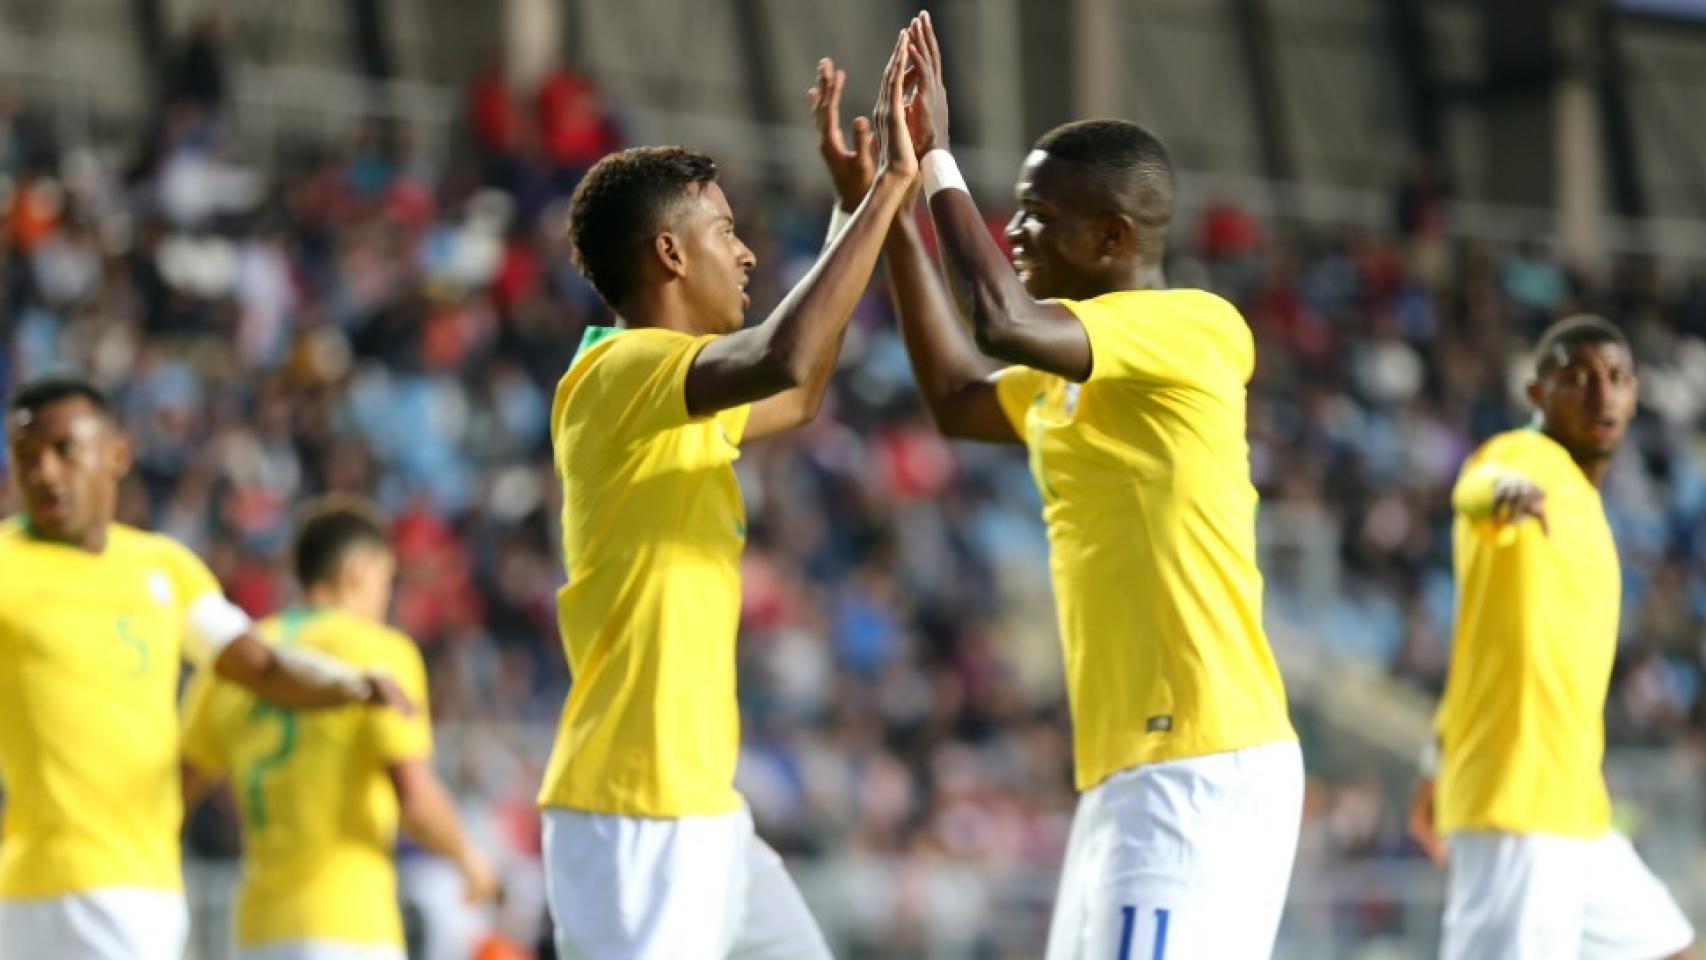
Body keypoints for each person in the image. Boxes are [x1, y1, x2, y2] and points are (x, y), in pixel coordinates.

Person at [836, 14, 1301, 957]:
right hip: (1128, 770)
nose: (1013, 228)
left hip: (1200, 761)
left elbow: (1001, 323)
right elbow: (959, 395)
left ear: (1114, 237)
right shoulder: (1067, 371)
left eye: (1038, 214)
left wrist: (934, 166)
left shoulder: (1193, 329)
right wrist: (891, 216)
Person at [535, 29, 919, 960]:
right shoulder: (619, 369)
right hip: (634, 809)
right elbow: (786, 353)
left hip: (704, 808)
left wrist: (846, 212)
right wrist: (887, 190)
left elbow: (800, 389)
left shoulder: (675, 392)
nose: (746, 255)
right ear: (669, 253)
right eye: (726, 233)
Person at [0, 376, 411, 960]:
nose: (44, 473)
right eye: (26, 457)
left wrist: (348, 684)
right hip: (28, 891)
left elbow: (262, 666)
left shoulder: (166, 569)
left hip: (139, 894)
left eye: (64, 450)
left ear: (117, 453)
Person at [1408, 317, 1695, 960]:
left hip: (1575, 809)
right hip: (1518, 806)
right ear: (1537, 394)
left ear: (1636, 393)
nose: (1601, 394)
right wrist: (1505, 493)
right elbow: (1478, 485)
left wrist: (1435, 764)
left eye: (1616, 378)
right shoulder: (1523, 458)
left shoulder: (1589, 503)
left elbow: (1484, 646)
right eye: (1577, 378)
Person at [180, 496, 497, 960]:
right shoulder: (378, 652)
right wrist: (469, 858)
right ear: (359, 570)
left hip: (255, 930)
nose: (385, 598)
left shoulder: (236, 661)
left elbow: (178, 792)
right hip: (348, 926)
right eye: (387, 582)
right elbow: (414, 797)